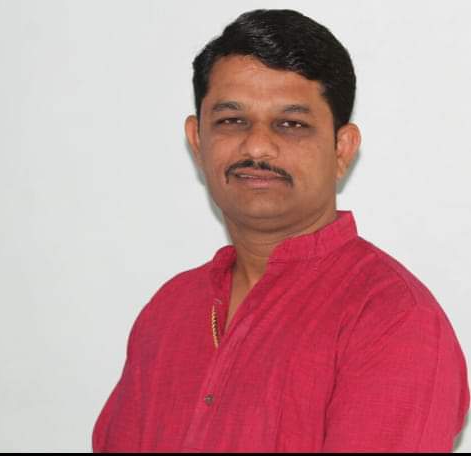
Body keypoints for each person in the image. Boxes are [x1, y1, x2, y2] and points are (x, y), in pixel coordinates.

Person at [92, 9, 469, 452]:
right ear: (197, 141)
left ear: (341, 149)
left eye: (291, 125)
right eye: (232, 121)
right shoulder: (170, 311)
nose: (257, 145)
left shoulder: (391, 319)